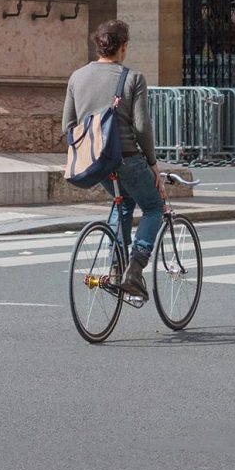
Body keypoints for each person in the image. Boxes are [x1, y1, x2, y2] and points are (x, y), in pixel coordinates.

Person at [62, 19, 162, 300]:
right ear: (124, 47)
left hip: (96, 163)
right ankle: (135, 268)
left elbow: (67, 125)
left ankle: (117, 267)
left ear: (99, 46)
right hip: (128, 157)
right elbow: (142, 126)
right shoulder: (132, 78)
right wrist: (153, 162)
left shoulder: (77, 77)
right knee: (154, 207)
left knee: (123, 204)